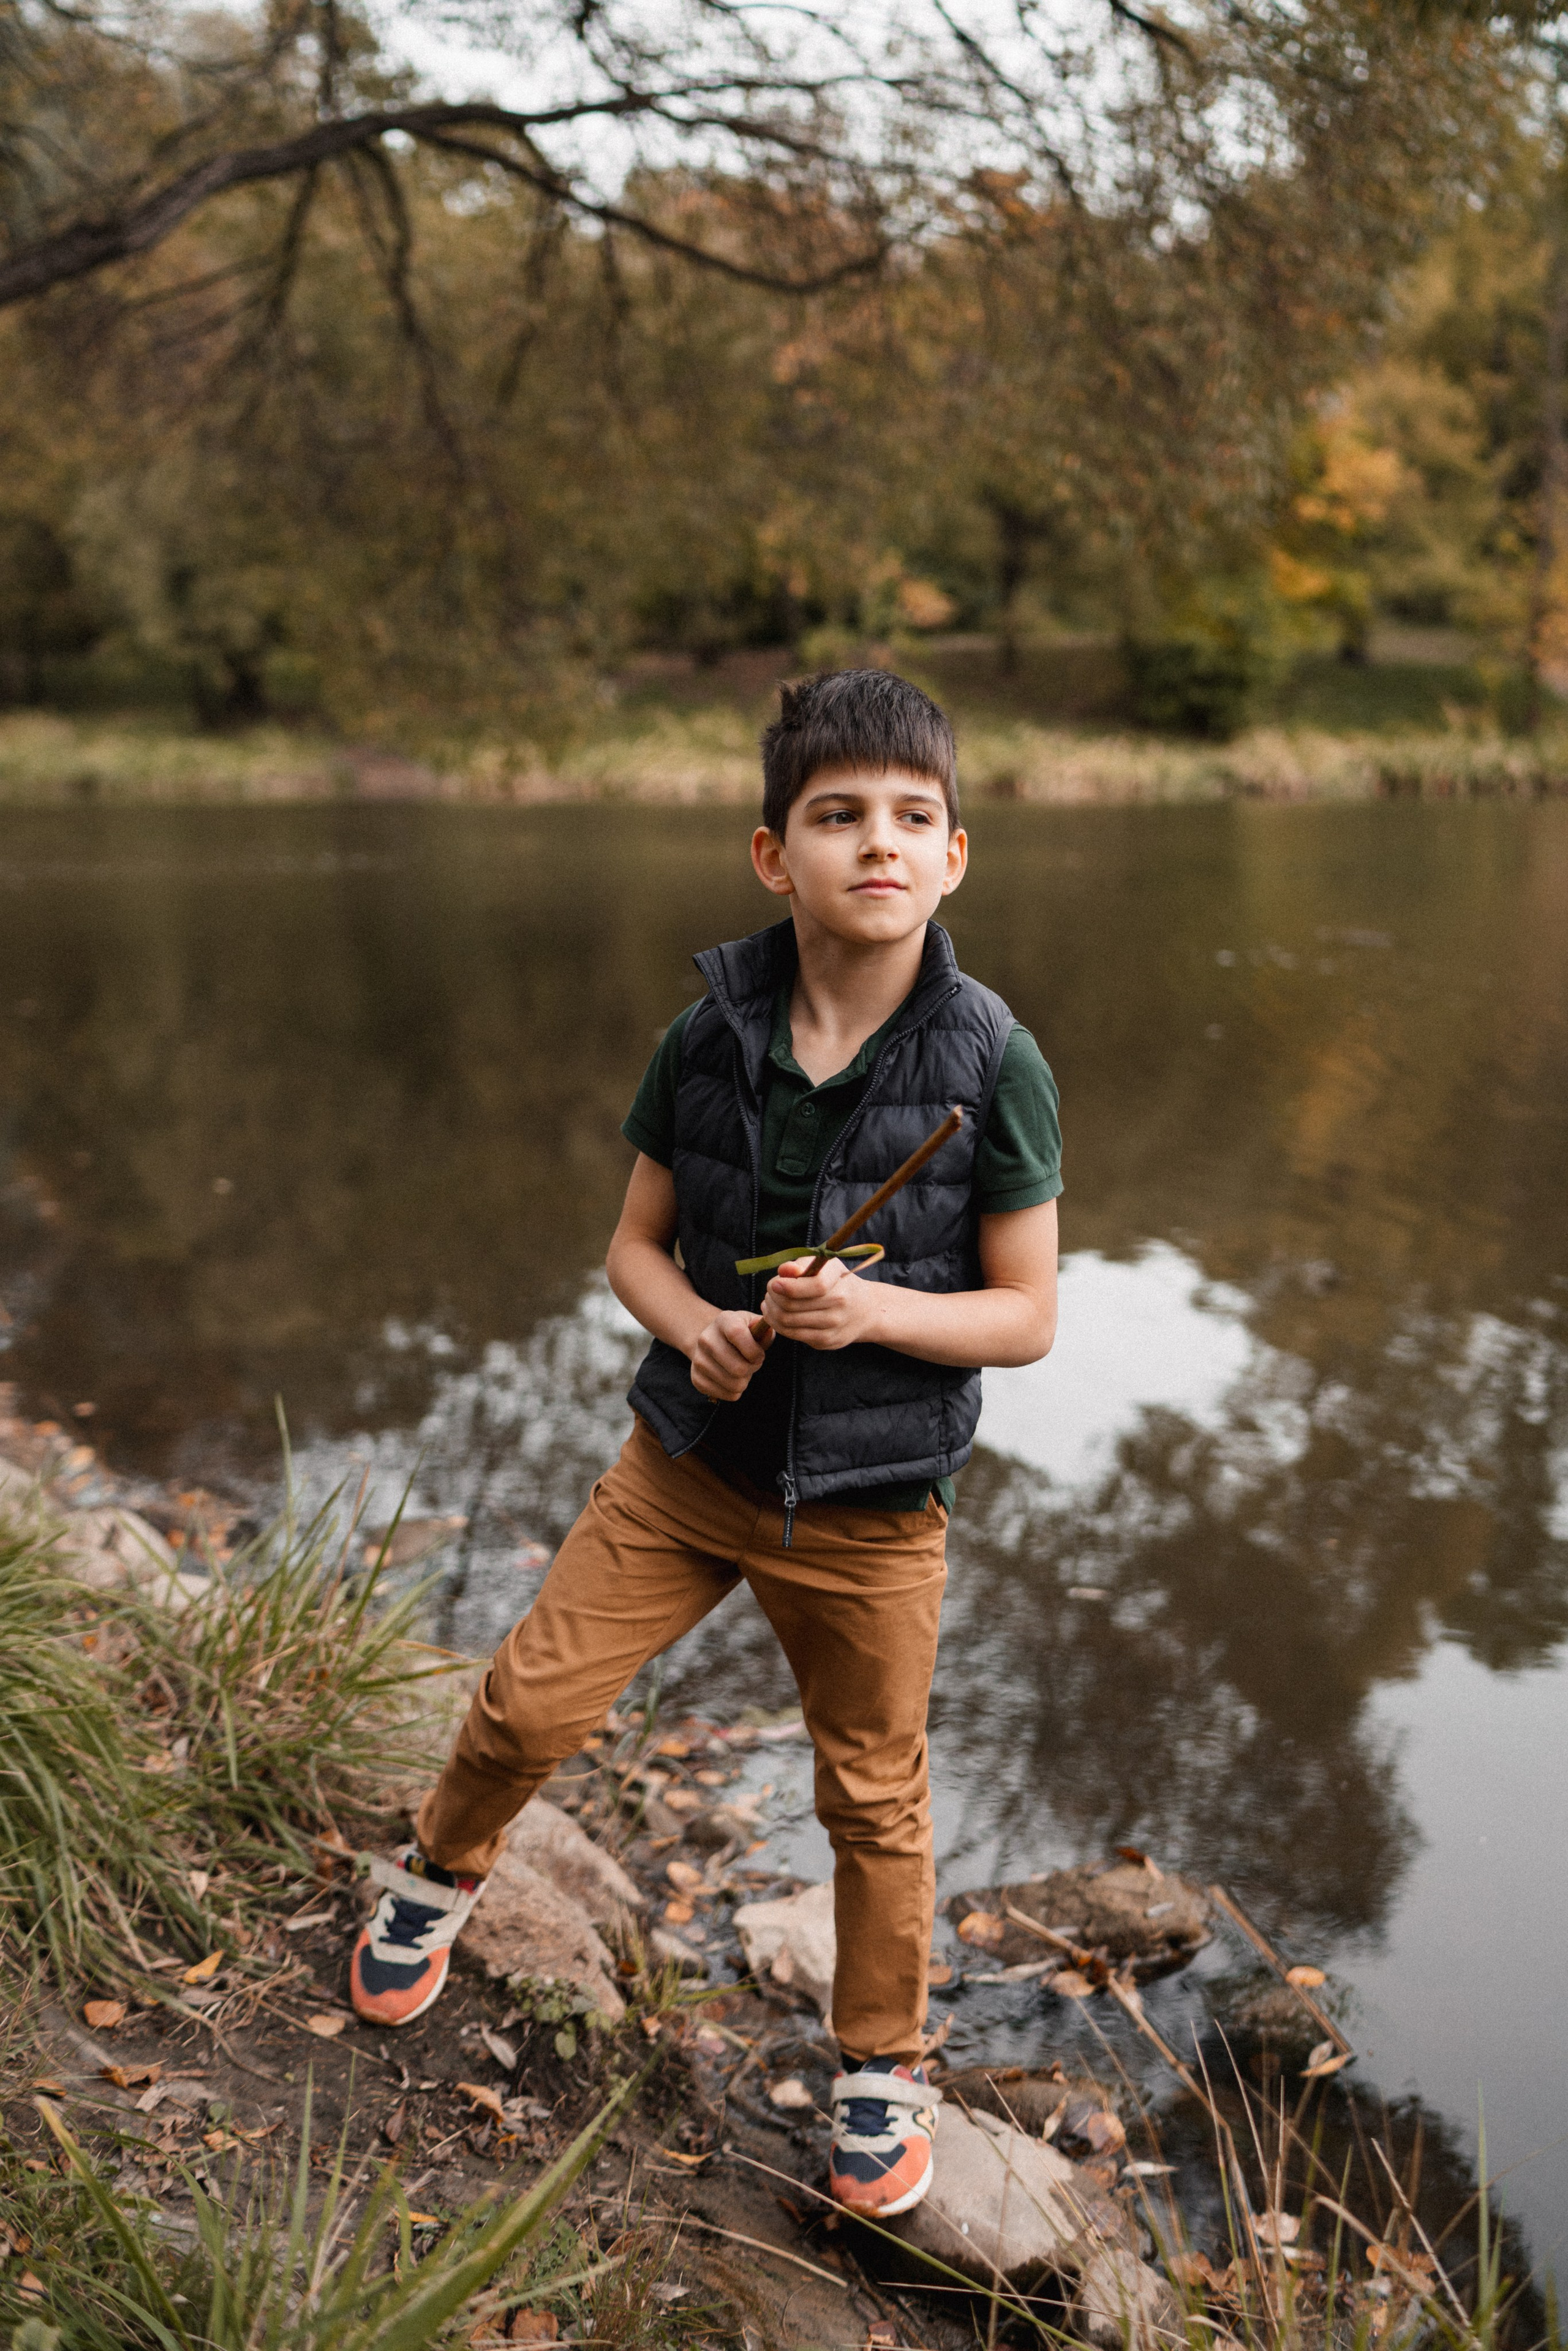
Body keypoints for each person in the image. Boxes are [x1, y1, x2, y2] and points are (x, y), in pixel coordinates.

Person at [349, 668, 1061, 2219]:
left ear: (953, 856)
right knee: (529, 1698)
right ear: (770, 854)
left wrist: (873, 1317)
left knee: (873, 1796)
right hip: (686, 1470)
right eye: (838, 815)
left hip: (874, 1508)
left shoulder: (990, 1059)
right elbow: (634, 1250)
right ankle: (437, 1871)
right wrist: (693, 1328)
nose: (878, 842)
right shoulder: (704, 1034)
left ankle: (881, 2059)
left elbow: (1022, 1316)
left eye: (911, 817)